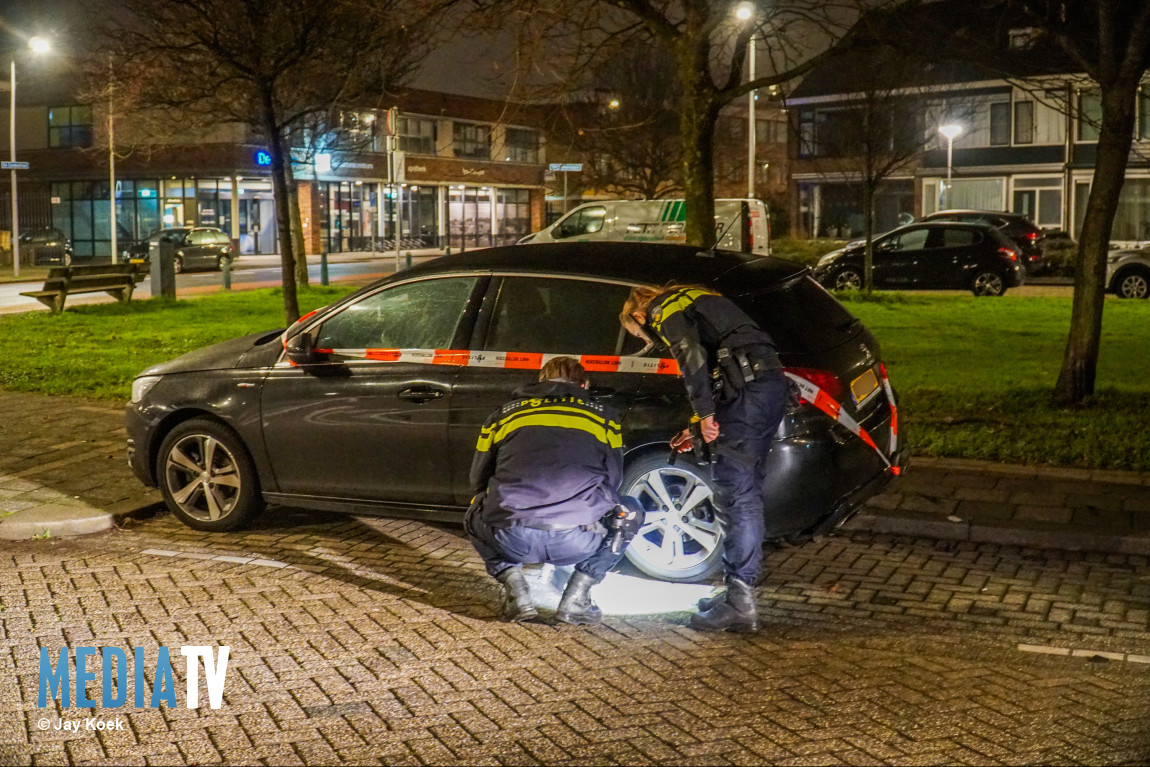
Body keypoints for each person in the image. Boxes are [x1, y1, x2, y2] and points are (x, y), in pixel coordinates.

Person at [620, 284, 788, 633]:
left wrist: (705, 413)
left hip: (748, 391)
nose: (650, 338)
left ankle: (740, 601)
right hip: (765, 384)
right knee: (745, 490)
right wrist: (697, 425)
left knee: (736, 494)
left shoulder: (664, 311)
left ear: (639, 315)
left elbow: (690, 356)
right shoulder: (695, 297)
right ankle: (735, 591)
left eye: (640, 332)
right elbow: (720, 364)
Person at [466, 357, 644, 625]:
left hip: (510, 538)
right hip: (577, 541)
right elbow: (613, 480)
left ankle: (516, 591)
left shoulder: (503, 415)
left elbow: (477, 478)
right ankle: (578, 598)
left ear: (540, 382)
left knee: (473, 510)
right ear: (583, 384)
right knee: (631, 510)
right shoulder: (605, 417)